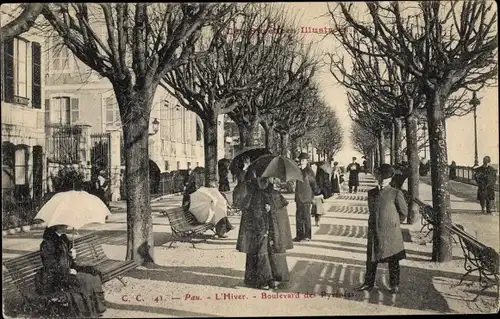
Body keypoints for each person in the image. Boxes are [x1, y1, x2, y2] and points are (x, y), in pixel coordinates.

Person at [356, 164, 408, 294]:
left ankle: (394, 284)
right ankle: (368, 283)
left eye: (385, 178)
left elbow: (403, 212)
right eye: (380, 177)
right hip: (374, 229)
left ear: (390, 179)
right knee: (371, 258)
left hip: (391, 232)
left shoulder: (396, 193)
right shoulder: (371, 193)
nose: (382, 180)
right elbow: (372, 210)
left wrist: (393, 223)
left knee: (393, 258)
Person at [35, 225, 106, 317]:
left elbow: (68, 258)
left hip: (69, 270)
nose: (66, 227)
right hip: (55, 276)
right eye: (63, 225)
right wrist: (67, 270)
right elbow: (49, 265)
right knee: (85, 280)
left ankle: (95, 309)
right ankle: (85, 313)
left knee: (93, 275)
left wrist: (72, 254)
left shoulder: (64, 238)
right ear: (56, 227)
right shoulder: (47, 243)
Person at [236, 177, 293, 290]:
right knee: (263, 250)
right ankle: (268, 278)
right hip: (262, 227)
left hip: (266, 227)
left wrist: (269, 210)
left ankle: (269, 278)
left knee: (264, 250)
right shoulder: (259, 193)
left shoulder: (266, 193)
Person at [294, 153, 321, 242]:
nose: (301, 162)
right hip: (298, 197)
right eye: (300, 160)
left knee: (306, 217)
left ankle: (307, 235)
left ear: (306, 161)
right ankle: (299, 235)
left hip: (306, 197)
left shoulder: (309, 171)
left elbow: (313, 183)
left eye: (303, 160)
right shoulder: (297, 170)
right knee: (298, 217)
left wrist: (317, 193)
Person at [313, 161, 333, 227]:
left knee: (317, 207)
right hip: (316, 191)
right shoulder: (324, 173)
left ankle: (317, 221)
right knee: (317, 207)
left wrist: (323, 193)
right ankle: (317, 220)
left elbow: (325, 183)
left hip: (317, 191)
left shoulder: (322, 172)